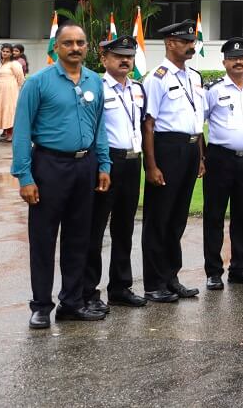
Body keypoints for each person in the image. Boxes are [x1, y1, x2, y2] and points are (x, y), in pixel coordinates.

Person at [10, 23, 110, 328]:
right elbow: (22, 130)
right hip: (49, 166)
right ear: (57, 46)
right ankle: (41, 305)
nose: (75, 48)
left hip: (85, 166)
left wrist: (103, 165)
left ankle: (71, 302)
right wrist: (24, 176)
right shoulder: (38, 83)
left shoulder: (94, 80)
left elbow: (99, 127)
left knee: (79, 238)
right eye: (68, 43)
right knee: (43, 238)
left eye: (80, 42)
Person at [140, 19, 205, 303]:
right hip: (167, 148)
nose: (190, 46)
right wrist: (151, 165)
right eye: (185, 42)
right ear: (169, 43)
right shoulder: (157, 77)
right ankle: (154, 283)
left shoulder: (195, 77)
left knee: (178, 217)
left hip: (190, 148)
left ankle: (171, 277)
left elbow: (197, 121)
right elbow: (149, 124)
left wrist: (201, 156)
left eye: (192, 41)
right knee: (159, 218)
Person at [84, 35, 147, 313]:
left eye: (129, 56)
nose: (125, 61)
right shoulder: (96, 87)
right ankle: (88, 291)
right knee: (95, 230)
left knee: (125, 228)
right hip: (107, 163)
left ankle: (120, 287)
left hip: (133, 163)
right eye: (119, 56)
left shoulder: (137, 88)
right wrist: (100, 165)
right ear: (104, 59)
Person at [201, 38, 243, 290]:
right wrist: (201, 156)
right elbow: (198, 123)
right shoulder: (214, 89)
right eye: (233, 58)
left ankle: (240, 267)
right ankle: (214, 271)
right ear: (224, 61)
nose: (239, 62)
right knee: (214, 215)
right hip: (220, 159)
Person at [0, 42, 26, 141]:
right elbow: (1, 77)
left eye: (7, 52)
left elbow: (21, 79)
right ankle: (7, 134)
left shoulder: (14, 64)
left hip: (11, 91)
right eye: (3, 51)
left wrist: (19, 90)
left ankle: (11, 136)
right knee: (4, 111)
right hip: (2, 92)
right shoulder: (2, 64)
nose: (5, 53)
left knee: (10, 111)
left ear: (11, 53)